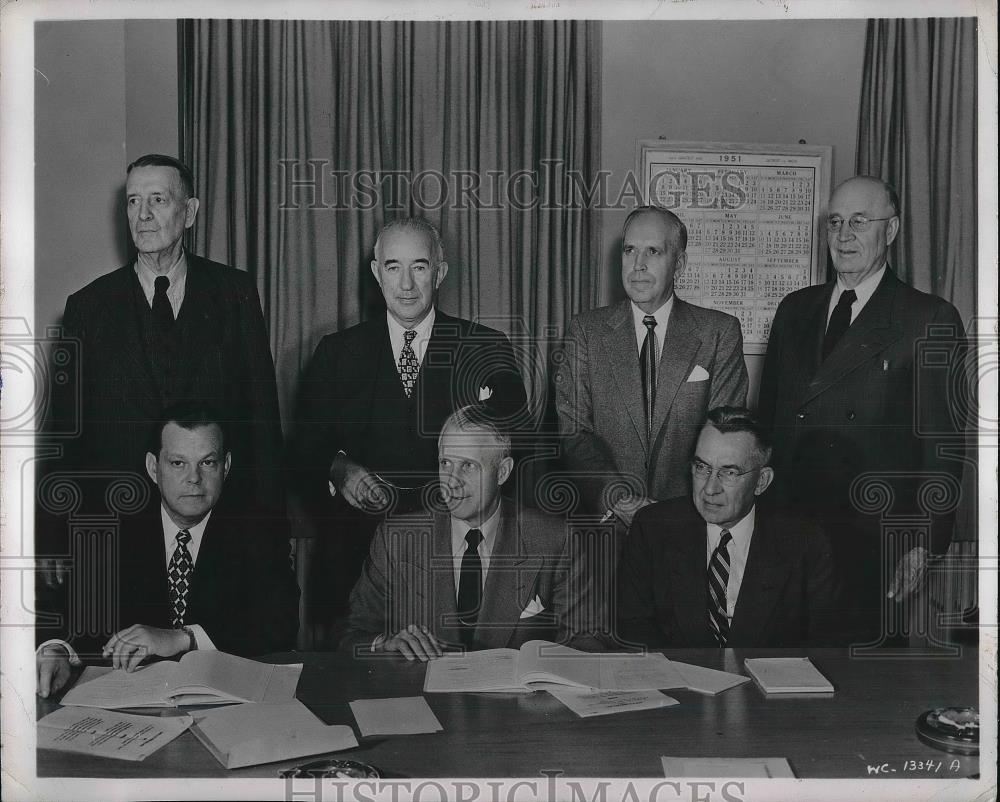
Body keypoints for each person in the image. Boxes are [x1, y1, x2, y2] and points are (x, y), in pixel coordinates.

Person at [758, 176, 967, 642]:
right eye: (834, 222)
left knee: (857, 692)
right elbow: (768, 426)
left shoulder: (928, 318)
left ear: (890, 231)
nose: (844, 235)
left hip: (871, 543)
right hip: (785, 532)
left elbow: (943, 450)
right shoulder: (795, 309)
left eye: (859, 221)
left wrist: (921, 546)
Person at [294, 218, 528, 626]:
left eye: (419, 267)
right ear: (375, 272)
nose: (406, 284)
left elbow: (514, 447)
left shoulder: (484, 347)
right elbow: (303, 447)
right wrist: (340, 469)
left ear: (440, 272)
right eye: (393, 267)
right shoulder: (337, 352)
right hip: (354, 551)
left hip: (453, 551)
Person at [44, 154, 284, 515]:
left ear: (188, 213)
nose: (142, 215)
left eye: (157, 199)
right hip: (120, 521)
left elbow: (262, 424)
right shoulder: (87, 307)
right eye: (133, 201)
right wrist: (53, 536)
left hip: (220, 528)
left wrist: (272, 539)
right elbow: (65, 432)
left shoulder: (235, 293)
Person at [36, 406, 300, 698]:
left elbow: (281, 621)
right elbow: (64, 609)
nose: (194, 478)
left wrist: (181, 638)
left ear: (226, 466)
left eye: (207, 463)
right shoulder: (113, 526)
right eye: (178, 463)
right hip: (132, 707)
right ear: (153, 467)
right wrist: (57, 649)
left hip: (227, 704)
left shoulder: (258, 527)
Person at [344, 406, 589, 660]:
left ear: (502, 472)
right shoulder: (396, 539)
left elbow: (587, 644)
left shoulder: (555, 540)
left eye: (468, 466)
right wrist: (382, 644)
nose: (452, 481)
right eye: (446, 463)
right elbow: (351, 637)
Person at [555, 206, 748, 526]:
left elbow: (725, 437)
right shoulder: (586, 331)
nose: (638, 265)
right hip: (607, 525)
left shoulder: (718, 332)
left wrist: (673, 512)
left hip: (689, 522)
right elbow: (572, 431)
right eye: (630, 250)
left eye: (653, 251)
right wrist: (617, 497)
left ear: (680, 263)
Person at [616, 407, 841, 648]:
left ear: (761, 481)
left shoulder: (805, 542)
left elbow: (827, 645)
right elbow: (634, 630)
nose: (710, 488)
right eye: (702, 467)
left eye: (729, 472)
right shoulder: (653, 527)